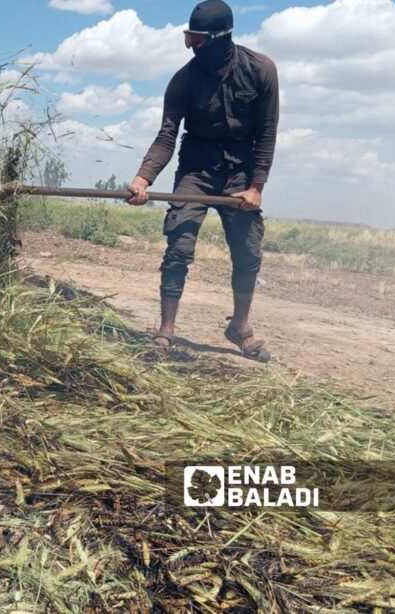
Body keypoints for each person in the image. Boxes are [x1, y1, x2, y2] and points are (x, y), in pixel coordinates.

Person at [126, 0, 278, 362]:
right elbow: (166, 136)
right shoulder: (183, 80)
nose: (191, 47)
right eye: (188, 39)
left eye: (197, 40)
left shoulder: (261, 70)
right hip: (196, 170)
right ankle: (167, 330)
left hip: (240, 173)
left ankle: (239, 327)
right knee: (179, 245)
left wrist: (256, 187)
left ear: (220, 38)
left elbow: (267, 133)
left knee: (248, 253)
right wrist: (143, 178)